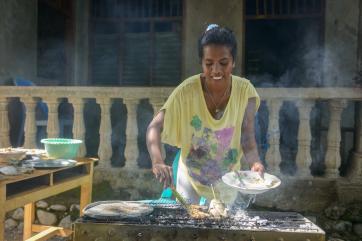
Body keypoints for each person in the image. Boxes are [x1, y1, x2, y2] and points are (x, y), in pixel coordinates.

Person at [146, 24, 265, 205]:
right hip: (190, 180)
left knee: (222, 227)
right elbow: (154, 127)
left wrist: (255, 164)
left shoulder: (245, 91)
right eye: (209, 64)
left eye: (223, 63)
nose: (216, 70)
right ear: (201, 63)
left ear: (233, 62)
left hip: (228, 181)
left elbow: (247, 139)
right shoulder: (186, 91)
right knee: (190, 227)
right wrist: (157, 161)